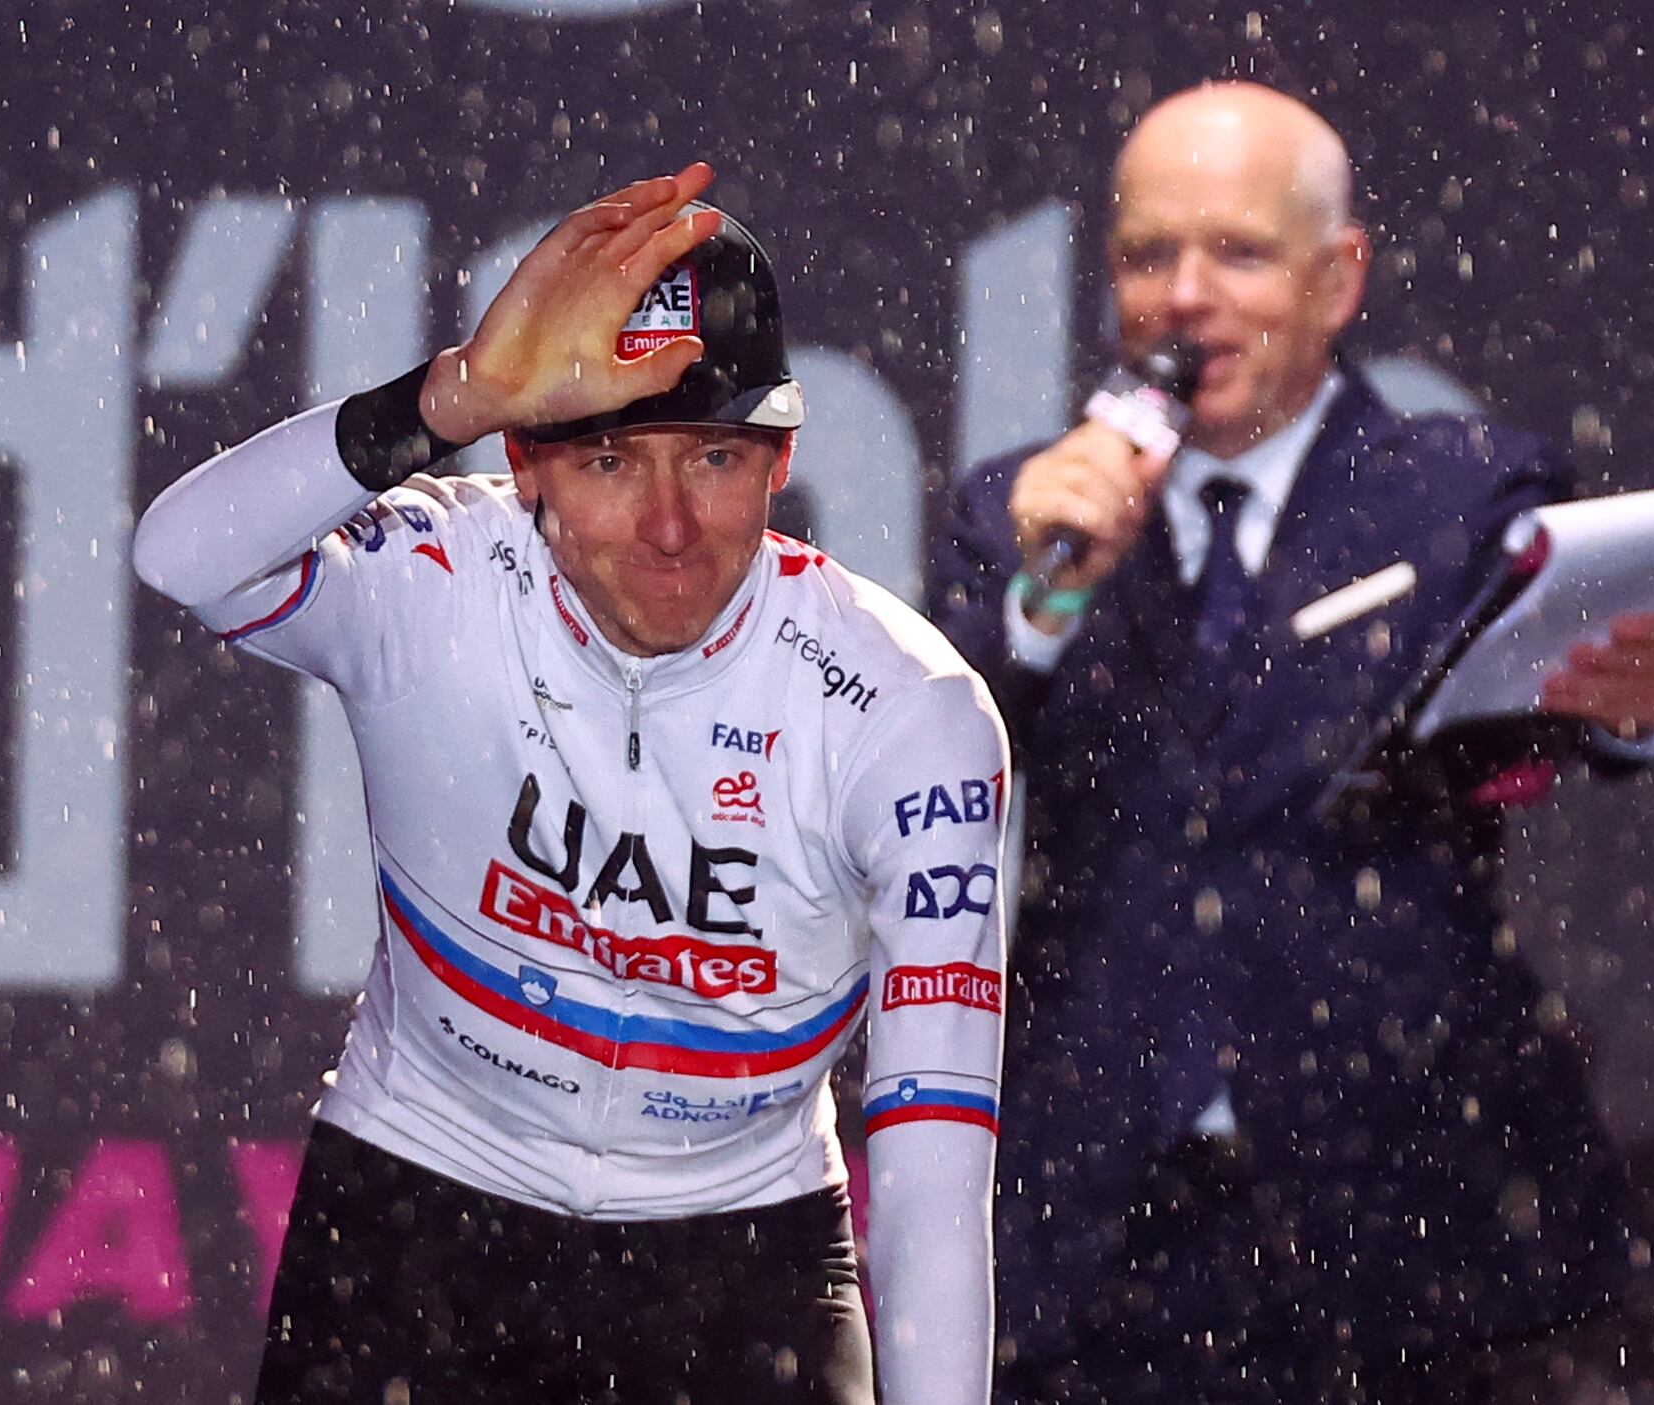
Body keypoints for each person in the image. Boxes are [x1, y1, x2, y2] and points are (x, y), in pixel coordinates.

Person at [134, 164, 1009, 1405]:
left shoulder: (904, 713)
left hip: (738, 1252)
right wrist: (451, 397)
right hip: (419, 1205)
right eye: (607, 460)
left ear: (781, 458)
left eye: (710, 456)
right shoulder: (435, 581)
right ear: (526, 462)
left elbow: (929, 1164)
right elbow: (179, 555)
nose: (666, 527)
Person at [926, 85, 1654, 1403]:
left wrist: (1635, 709)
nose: (1184, 295)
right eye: (1146, 254)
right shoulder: (1018, 512)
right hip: (1099, 1234)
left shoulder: (1465, 493)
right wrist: (1049, 591)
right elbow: (945, 762)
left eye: (1237, 252)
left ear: (1340, 277)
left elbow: (1554, 716)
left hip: (1412, 1220)